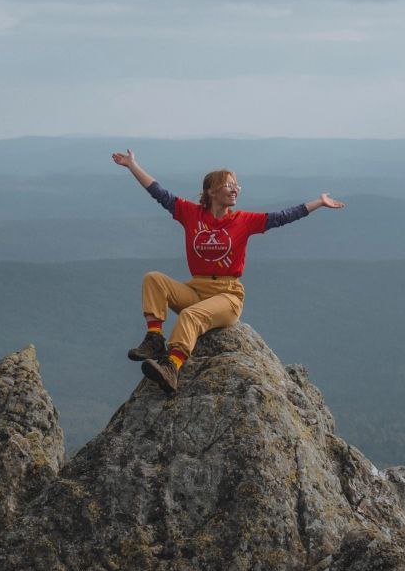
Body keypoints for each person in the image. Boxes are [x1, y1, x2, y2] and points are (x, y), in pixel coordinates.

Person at [111, 148, 345, 395]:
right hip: (196, 288)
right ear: (211, 191)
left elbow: (282, 217)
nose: (235, 189)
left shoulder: (243, 220)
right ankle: (155, 339)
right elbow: (158, 192)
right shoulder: (191, 214)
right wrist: (132, 165)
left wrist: (319, 202)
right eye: (228, 185)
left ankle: (171, 367)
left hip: (228, 296)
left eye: (237, 186)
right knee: (153, 279)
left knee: (190, 316)